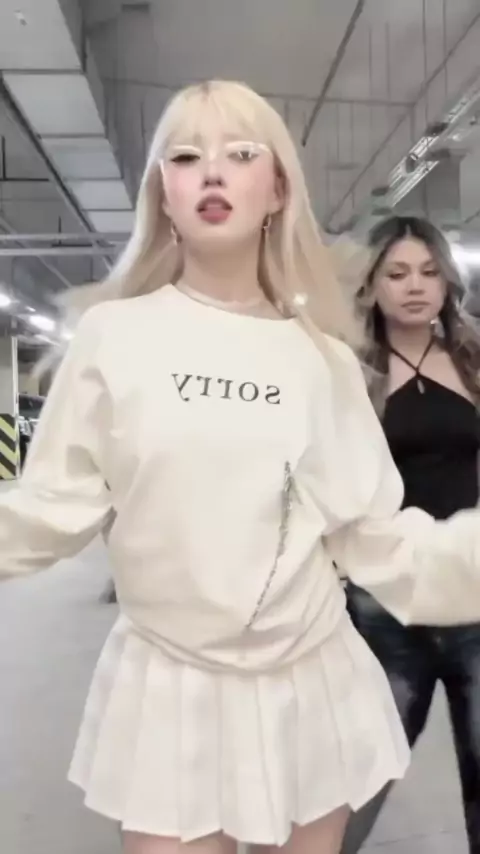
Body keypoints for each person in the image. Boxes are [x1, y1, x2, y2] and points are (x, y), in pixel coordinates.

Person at [2, 82, 480, 854]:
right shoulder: (113, 337)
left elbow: (376, 540)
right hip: (170, 684)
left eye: (241, 153)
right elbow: (46, 511)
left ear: (278, 188)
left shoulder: (324, 361)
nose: (213, 172)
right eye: (187, 157)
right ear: (164, 191)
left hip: (311, 685)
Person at [341, 215, 480, 854]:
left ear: (448, 282)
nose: (415, 286)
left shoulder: (472, 358)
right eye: (396, 273)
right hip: (385, 602)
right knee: (360, 773)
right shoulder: (348, 368)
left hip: (473, 589)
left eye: (429, 272)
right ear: (372, 284)